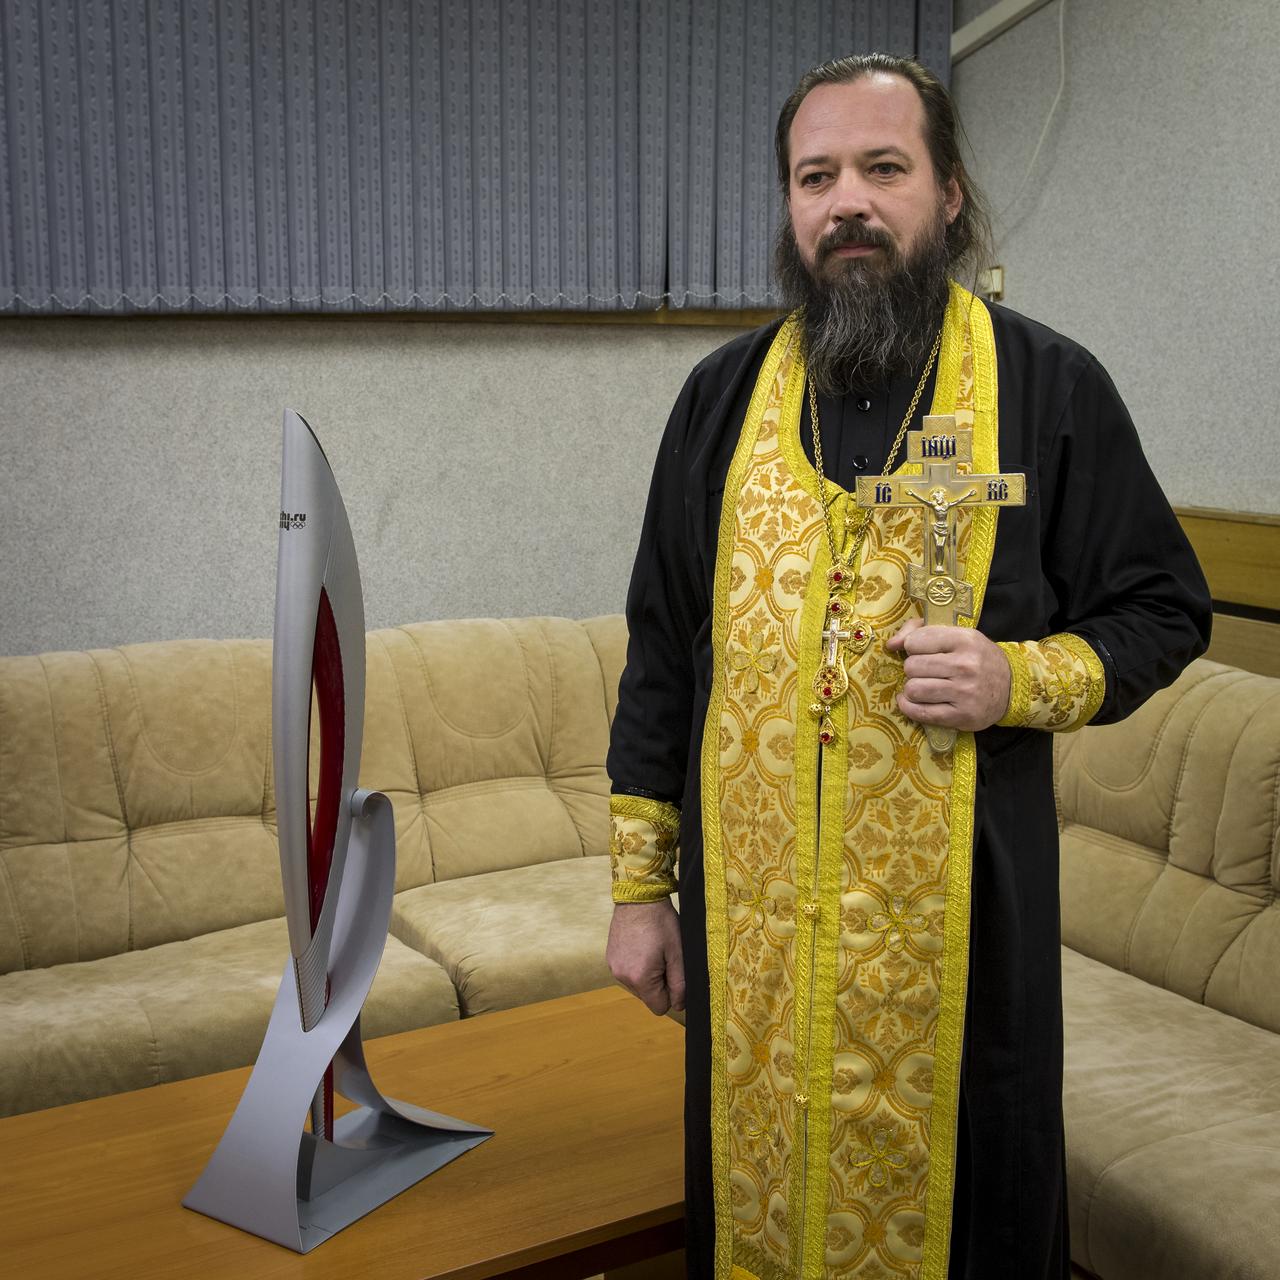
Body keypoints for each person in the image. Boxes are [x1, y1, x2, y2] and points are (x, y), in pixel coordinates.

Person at [604, 52, 1211, 1280]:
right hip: (753, 932)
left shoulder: (1049, 387)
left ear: (945, 194)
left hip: (964, 937)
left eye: (883, 167)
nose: (847, 203)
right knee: (755, 1180)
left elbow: (1162, 606)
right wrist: (635, 888)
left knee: (974, 1205)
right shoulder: (717, 400)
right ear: (786, 205)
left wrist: (1015, 680)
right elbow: (664, 648)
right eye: (813, 175)